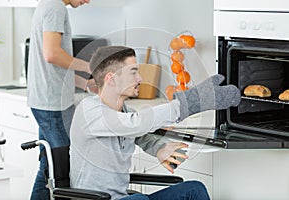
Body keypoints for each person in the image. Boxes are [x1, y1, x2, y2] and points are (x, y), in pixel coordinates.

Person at [70, 46, 241, 200]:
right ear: (111, 79)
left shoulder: (125, 110)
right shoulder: (89, 110)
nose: (140, 78)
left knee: (194, 190)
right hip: (94, 198)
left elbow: (139, 136)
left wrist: (159, 148)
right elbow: (133, 125)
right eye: (133, 72)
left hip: (123, 198)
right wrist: (189, 102)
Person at [27, 0, 95, 199]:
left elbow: (54, 69)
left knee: (49, 166)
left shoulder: (49, 4)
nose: (88, 0)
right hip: (51, 105)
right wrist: (89, 67)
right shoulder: (55, 7)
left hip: (49, 101)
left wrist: (85, 84)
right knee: (60, 170)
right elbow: (52, 55)